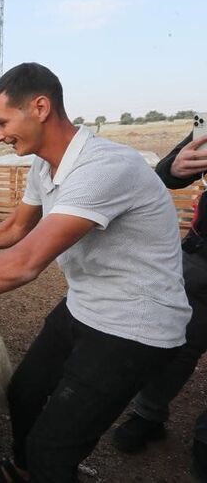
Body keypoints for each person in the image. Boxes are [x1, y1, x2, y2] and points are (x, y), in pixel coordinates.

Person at [0, 63, 191, 482]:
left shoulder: (102, 168)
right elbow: (17, 228)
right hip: (86, 305)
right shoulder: (45, 166)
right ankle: (26, 472)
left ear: (40, 107)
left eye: (2, 122)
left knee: (52, 449)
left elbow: (25, 263)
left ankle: (43, 467)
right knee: (22, 394)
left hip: (132, 322)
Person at [111, 129, 207, 470]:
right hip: (201, 259)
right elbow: (166, 171)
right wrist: (175, 168)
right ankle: (148, 414)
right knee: (177, 343)